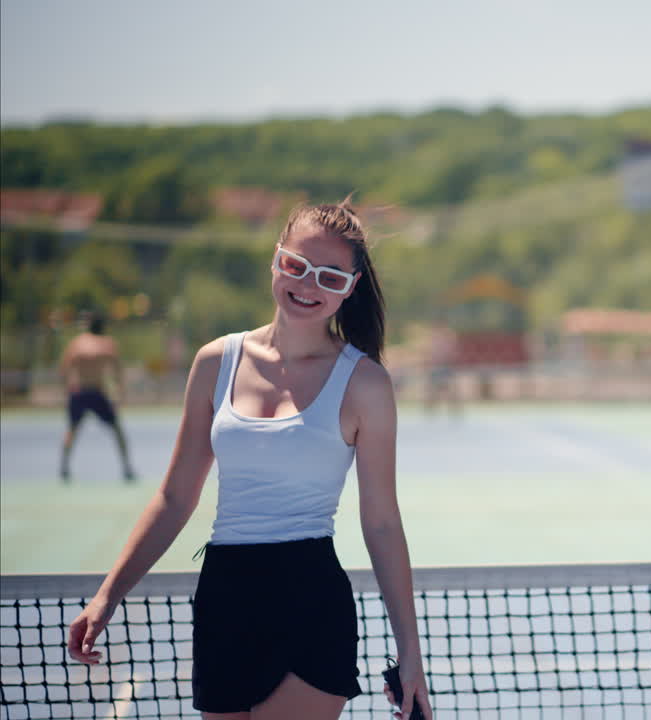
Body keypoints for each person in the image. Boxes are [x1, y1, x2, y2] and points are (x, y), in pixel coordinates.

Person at [66, 199, 433, 720]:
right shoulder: (215, 361)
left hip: (310, 601)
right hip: (224, 600)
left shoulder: (366, 383)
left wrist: (411, 655)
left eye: (330, 277)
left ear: (350, 288)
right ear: (276, 260)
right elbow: (174, 497)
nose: (308, 285)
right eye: (296, 266)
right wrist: (107, 597)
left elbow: (380, 521)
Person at [59, 311, 137, 483]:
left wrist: (66, 389)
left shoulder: (77, 343)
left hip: (82, 392)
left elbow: (64, 369)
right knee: (115, 430)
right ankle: (127, 467)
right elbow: (118, 371)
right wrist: (119, 393)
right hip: (91, 392)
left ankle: (64, 467)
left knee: (73, 429)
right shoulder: (106, 344)